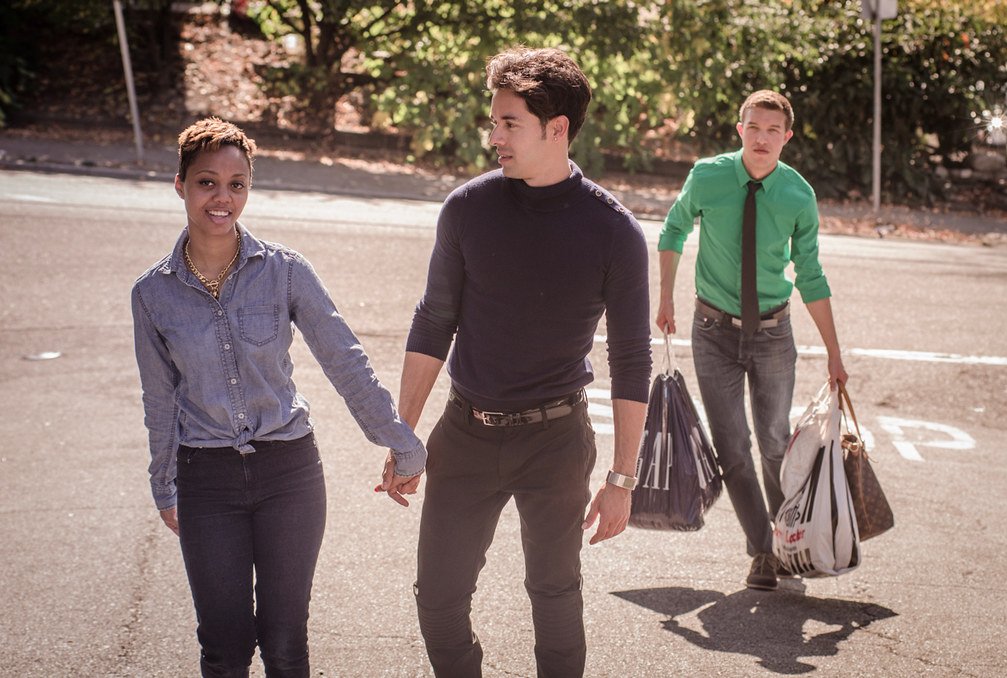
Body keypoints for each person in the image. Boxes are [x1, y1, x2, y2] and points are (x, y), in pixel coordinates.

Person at [380, 47, 652, 677]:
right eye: (493, 122)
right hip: (465, 432)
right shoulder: (467, 208)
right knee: (438, 600)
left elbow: (631, 359)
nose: (494, 137)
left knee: (555, 598)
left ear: (557, 129)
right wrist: (403, 435)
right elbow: (433, 321)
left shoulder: (614, 231)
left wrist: (622, 479)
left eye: (509, 123)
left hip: (555, 441)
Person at [131, 117, 426, 677]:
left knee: (286, 642)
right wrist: (163, 480)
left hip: (289, 473)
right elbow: (159, 398)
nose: (222, 198)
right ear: (180, 185)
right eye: (207, 183)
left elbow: (344, 359)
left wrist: (401, 441)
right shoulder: (152, 293)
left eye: (236, 184)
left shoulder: (285, 271)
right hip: (205, 479)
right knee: (223, 647)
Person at [655, 90, 848, 591]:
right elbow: (673, 229)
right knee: (733, 448)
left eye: (772, 131)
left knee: (774, 443)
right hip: (712, 331)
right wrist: (666, 297)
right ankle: (763, 550)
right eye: (754, 128)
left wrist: (834, 353)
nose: (762, 139)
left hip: (772, 333)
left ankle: (790, 539)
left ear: (787, 137)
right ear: (740, 130)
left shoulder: (798, 195)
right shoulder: (708, 176)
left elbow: (811, 274)